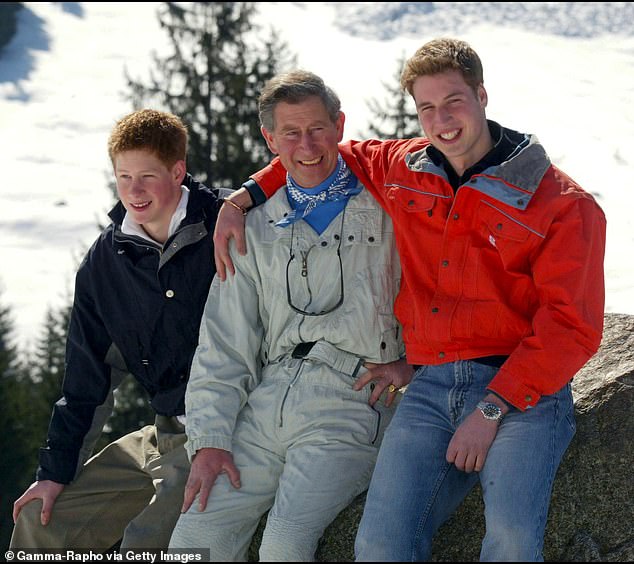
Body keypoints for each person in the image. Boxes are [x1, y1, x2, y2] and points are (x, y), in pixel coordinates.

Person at [214, 38, 607, 561]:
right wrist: (242, 199)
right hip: (430, 386)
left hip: (524, 395)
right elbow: (316, 153)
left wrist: (491, 409)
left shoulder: (562, 204)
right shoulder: (405, 169)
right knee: (379, 545)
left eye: (453, 102)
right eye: (426, 108)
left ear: (482, 95)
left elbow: (571, 326)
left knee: (510, 540)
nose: (441, 120)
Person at [168, 70, 408, 561]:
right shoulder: (250, 226)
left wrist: (416, 364)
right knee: (193, 542)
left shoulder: (391, 204)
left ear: (340, 125)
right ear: (269, 139)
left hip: (352, 400)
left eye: (318, 128)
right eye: (291, 133)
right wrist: (211, 440)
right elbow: (224, 341)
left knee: (283, 545)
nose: (307, 145)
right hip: (266, 401)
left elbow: (442, 291)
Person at [10, 109, 222, 552]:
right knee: (41, 523)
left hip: (225, 429)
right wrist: (53, 474)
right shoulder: (105, 264)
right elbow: (86, 381)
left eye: (147, 176)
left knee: (144, 543)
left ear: (177, 171)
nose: (134, 191)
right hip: (164, 435)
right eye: (123, 177)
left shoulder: (225, 225)